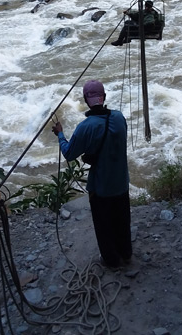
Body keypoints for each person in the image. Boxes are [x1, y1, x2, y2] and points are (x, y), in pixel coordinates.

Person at [52, 80, 132, 268]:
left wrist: (60, 135)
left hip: (101, 187)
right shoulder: (119, 118)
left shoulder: (85, 127)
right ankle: (126, 253)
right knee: (122, 220)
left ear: (87, 101)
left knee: (104, 226)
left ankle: (112, 261)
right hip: (121, 182)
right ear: (103, 97)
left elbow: (69, 153)